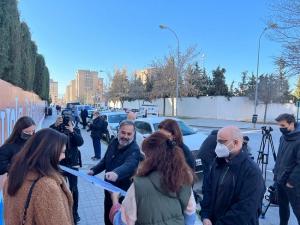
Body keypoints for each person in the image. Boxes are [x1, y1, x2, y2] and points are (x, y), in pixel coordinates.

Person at [109, 131, 196, 225]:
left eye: (145, 155)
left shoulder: (138, 185)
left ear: (151, 157)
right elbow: (190, 216)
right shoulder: (184, 178)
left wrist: (115, 202)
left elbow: (122, 222)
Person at [3, 128, 74, 225]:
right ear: (48, 153)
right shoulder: (46, 187)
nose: (64, 156)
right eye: (62, 152)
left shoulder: (13, 176)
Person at [201, 126, 265, 225]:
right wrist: (205, 215)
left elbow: (245, 209)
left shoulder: (252, 171)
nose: (218, 146)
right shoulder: (217, 162)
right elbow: (208, 190)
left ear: (236, 143)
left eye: (222, 142)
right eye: (217, 142)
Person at [88, 120, 141, 225]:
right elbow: (105, 161)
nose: (125, 136)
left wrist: (116, 173)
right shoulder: (113, 142)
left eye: (129, 134)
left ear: (133, 134)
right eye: (123, 132)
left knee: (118, 221)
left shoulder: (134, 149)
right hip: (108, 191)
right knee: (107, 218)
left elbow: (129, 165)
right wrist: (93, 170)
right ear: (118, 131)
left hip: (122, 196)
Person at [50, 115, 84, 224]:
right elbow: (48, 139)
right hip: (59, 163)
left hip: (73, 164)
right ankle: (63, 209)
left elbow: (80, 142)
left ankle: (74, 212)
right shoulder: (55, 129)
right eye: (63, 120)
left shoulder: (75, 129)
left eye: (67, 120)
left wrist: (72, 131)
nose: (65, 122)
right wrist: (55, 126)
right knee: (60, 187)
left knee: (74, 188)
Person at [274, 113, 300, 225]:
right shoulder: (283, 138)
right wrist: (276, 173)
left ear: (292, 124)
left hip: (291, 184)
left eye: (283, 125)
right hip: (280, 180)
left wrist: (291, 181)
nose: (281, 128)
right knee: (283, 208)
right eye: (279, 126)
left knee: (297, 210)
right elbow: (280, 157)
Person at [198, 129, 218, 195]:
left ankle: (204, 188)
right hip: (207, 157)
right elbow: (217, 151)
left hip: (201, 155)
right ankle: (206, 190)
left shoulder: (210, 137)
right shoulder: (216, 138)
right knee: (208, 173)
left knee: (206, 172)